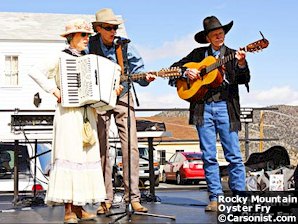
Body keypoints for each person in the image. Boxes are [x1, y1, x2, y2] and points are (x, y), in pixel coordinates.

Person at [28, 18, 107, 223]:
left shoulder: (90, 59)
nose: (86, 39)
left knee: (86, 158)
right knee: (69, 155)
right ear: (71, 38)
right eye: (83, 35)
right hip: (68, 114)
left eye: (88, 35)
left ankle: (80, 207)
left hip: (88, 114)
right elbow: (34, 71)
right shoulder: (59, 57)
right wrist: (54, 90)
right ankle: (68, 209)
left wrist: (109, 93)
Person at [169, 16, 250, 212]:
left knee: (234, 155)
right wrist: (185, 72)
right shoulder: (198, 55)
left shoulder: (231, 55)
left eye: (221, 33)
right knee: (209, 156)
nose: (219, 36)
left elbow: (243, 78)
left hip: (225, 108)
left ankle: (239, 196)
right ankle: (216, 198)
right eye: (214, 34)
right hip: (203, 109)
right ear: (208, 37)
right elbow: (173, 69)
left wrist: (240, 64)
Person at [88, 8, 156, 214]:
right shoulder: (89, 45)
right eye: (108, 28)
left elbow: (139, 72)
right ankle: (105, 199)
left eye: (115, 27)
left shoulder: (125, 46)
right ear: (98, 29)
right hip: (99, 99)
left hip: (123, 95)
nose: (113, 31)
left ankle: (133, 197)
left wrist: (146, 78)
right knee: (101, 148)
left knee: (131, 147)